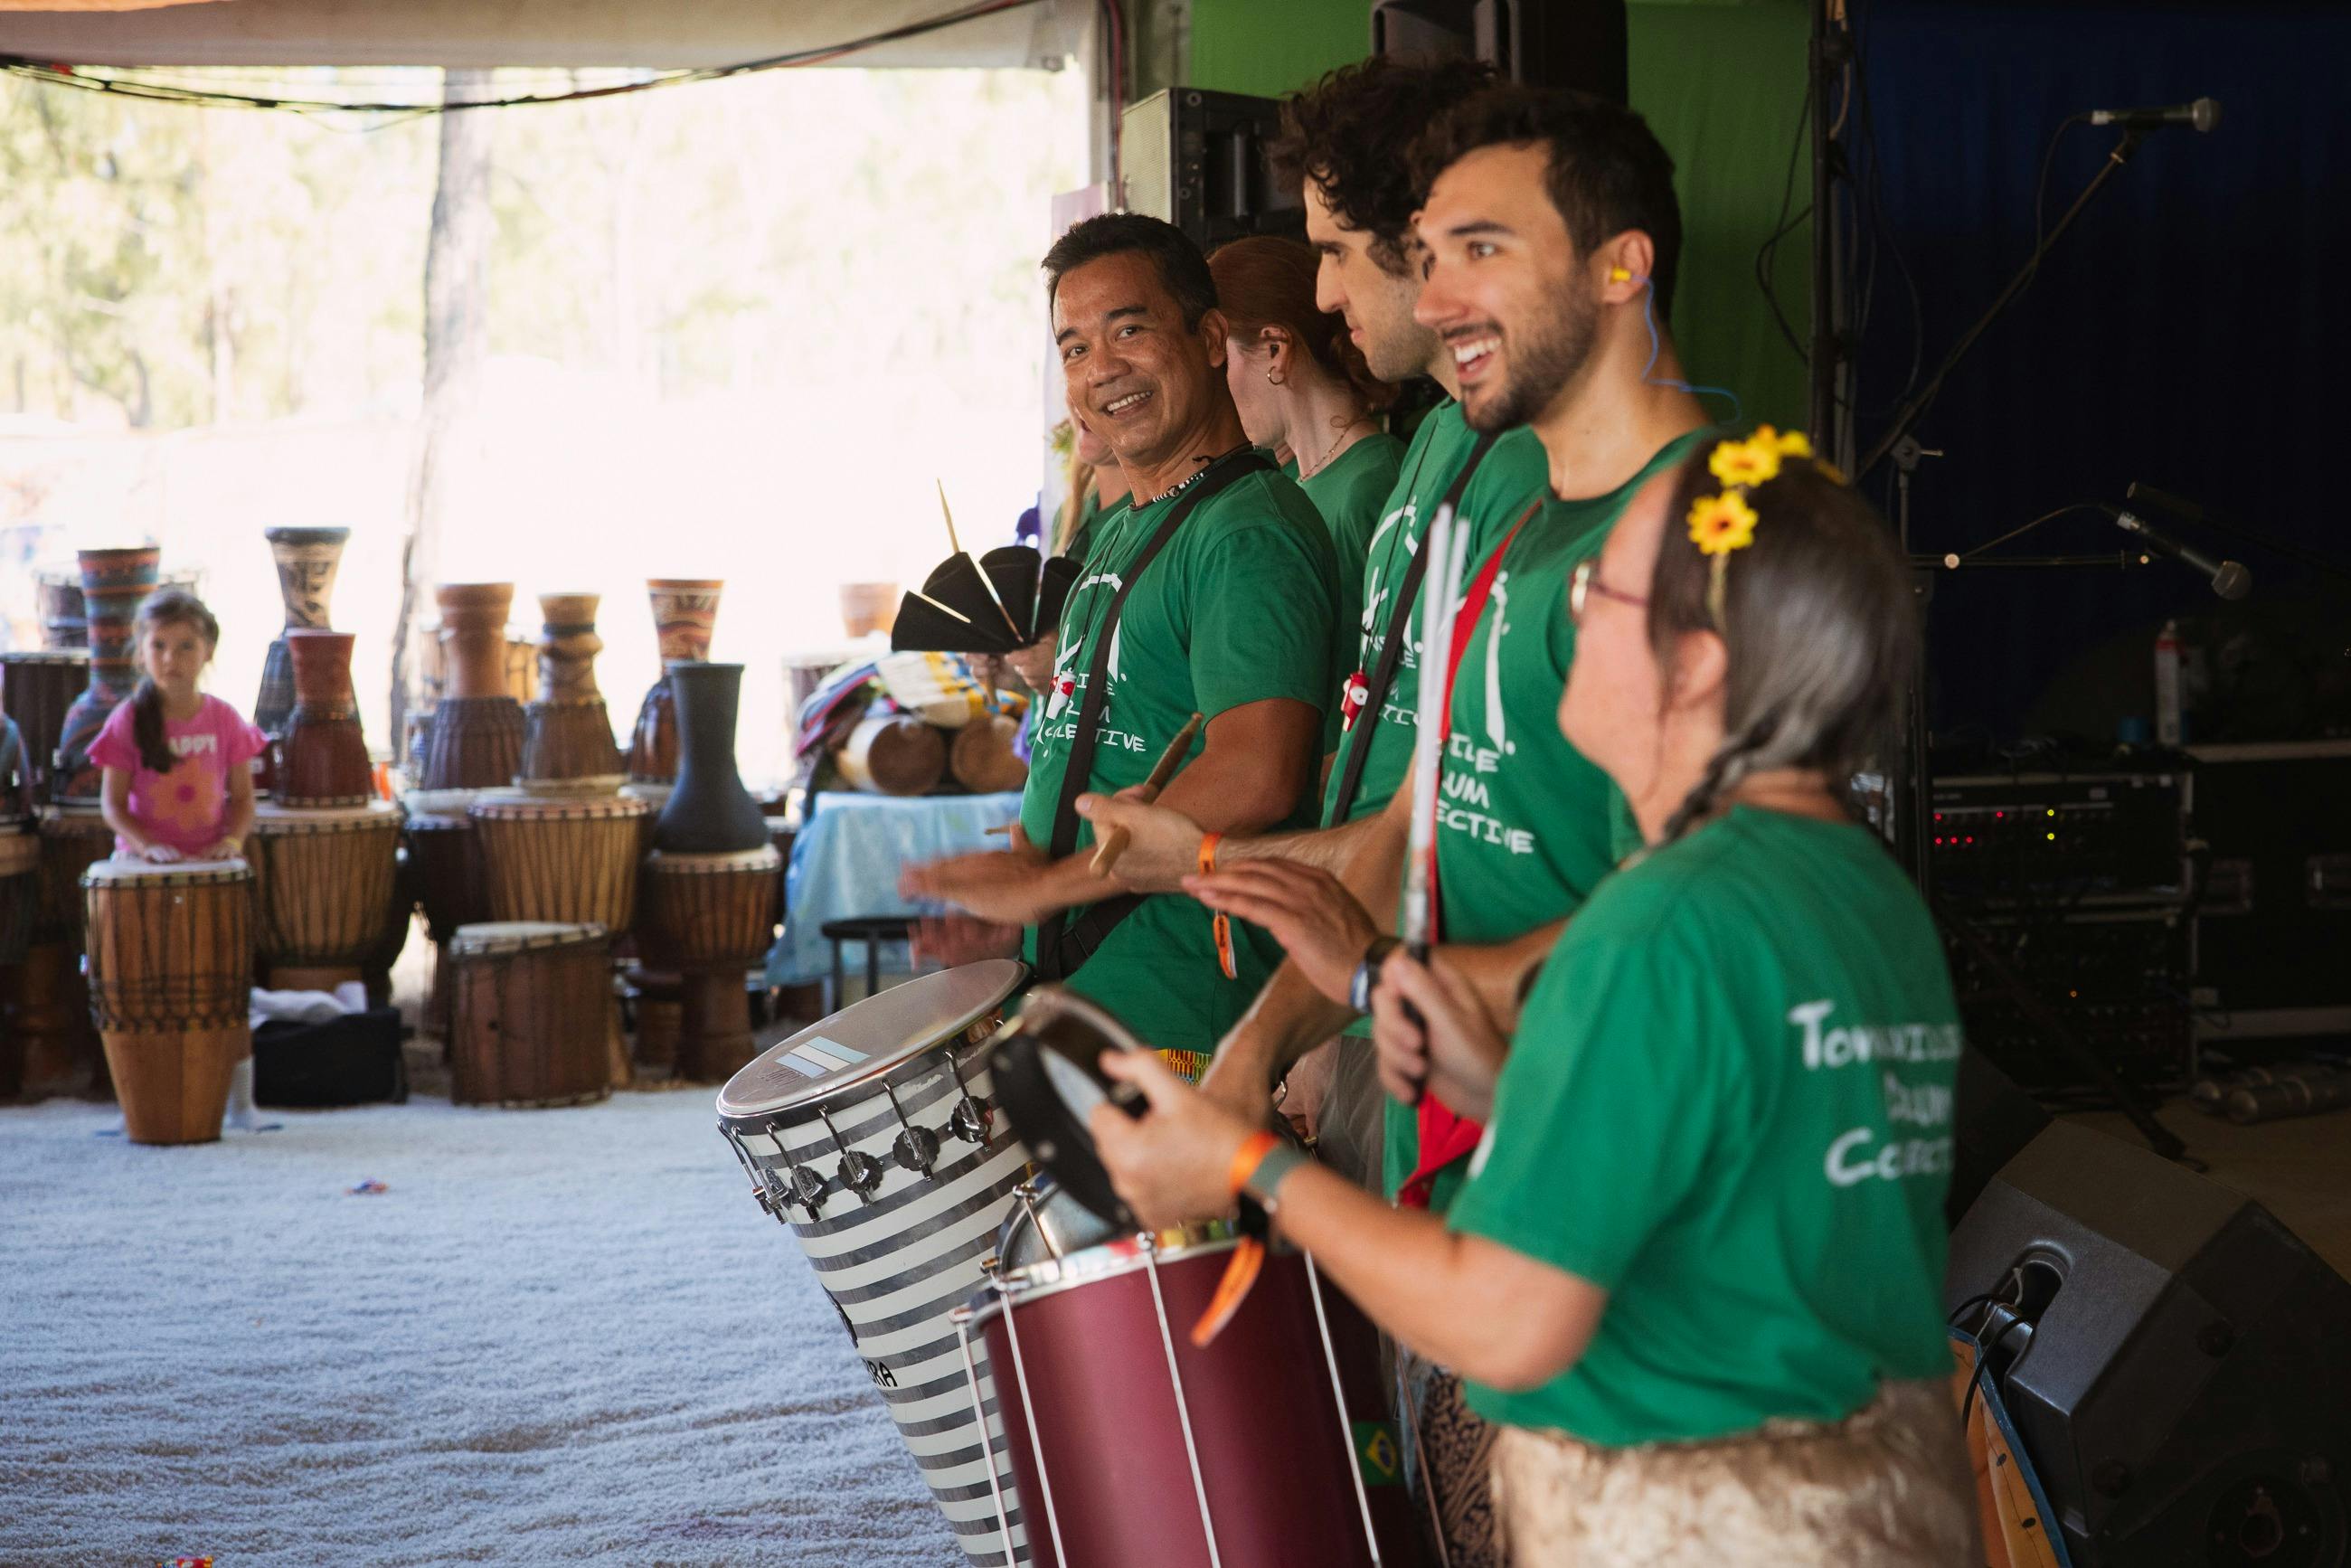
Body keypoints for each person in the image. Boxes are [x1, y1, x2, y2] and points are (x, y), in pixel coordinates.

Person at [1089, 433, 1980, 1566]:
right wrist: (1503, 1085)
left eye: (1595, 591)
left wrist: (1241, 1164)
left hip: (1702, 1521)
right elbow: (1738, 1167)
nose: (1565, 617)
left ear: (1695, 664)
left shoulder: (1657, 923)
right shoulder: (1859, 889)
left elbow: (1507, 1323)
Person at [1074, 85, 1717, 1558]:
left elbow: (1688, 933)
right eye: (1420, 252)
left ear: (1619, 265)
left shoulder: (1714, 532)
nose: (1432, 297)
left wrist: (1368, 1007)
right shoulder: (1523, 513)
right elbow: (1411, 838)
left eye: (1478, 249)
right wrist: (1229, 919)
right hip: (1472, 1156)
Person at [902, 212, 1339, 1077]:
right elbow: (1091, 745)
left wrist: (1051, 888)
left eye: (1129, 331)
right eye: (1073, 348)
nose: (1102, 370)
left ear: (1212, 338)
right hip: (1083, 999)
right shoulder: (1126, 531)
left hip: (1183, 1023)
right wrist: (1014, 887)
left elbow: (1260, 770)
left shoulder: (1246, 533)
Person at [1209, 233, 1402, 761]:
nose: (1213, 388)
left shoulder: (1374, 483)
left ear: (1275, 349)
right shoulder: (1297, 483)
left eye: (1220, 361)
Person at [88, 587, 271, 1132]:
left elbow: (243, 802)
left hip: (213, 871)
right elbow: (114, 807)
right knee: (145, 989)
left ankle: (241, 1104)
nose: (172, 658)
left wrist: (233, 844)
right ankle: (141, 1102)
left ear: (208, 650)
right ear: (141, 652)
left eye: (186, 646)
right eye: (160, 645)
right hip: (144, 872)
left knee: (224, 986)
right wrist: (147, 848)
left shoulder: (224, 719)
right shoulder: (127, 720)